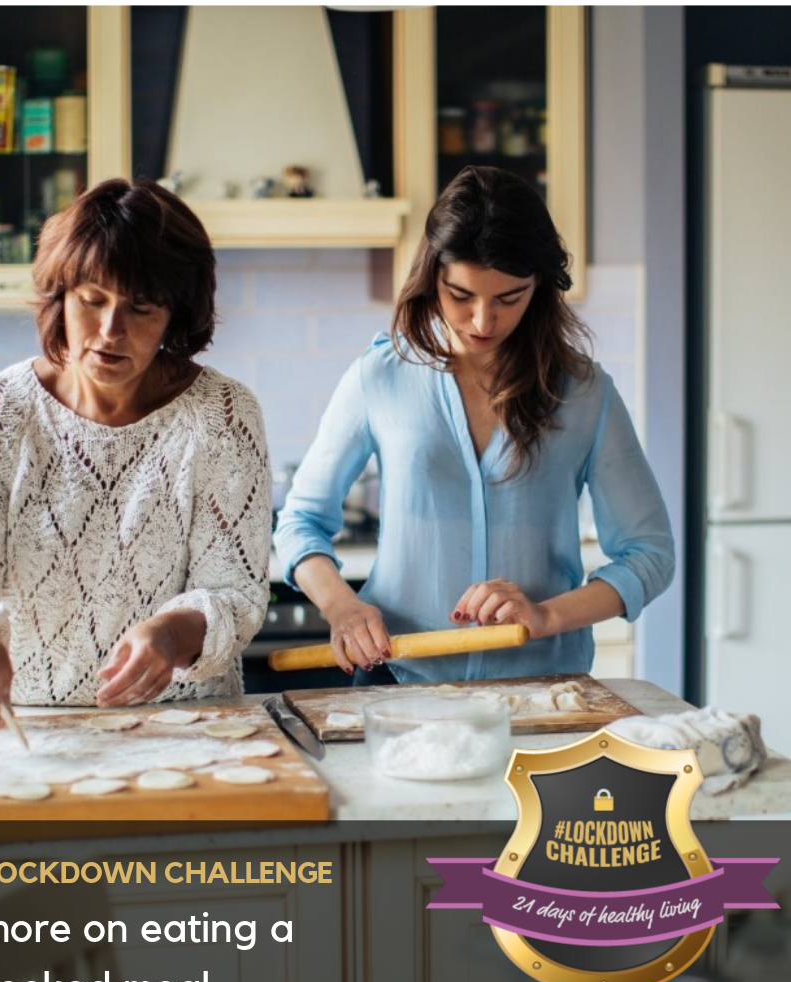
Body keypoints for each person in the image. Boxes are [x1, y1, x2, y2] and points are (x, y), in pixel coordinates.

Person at [274, 166, 674, 684]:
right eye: (461, 295)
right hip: (399, 686)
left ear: (540, 288)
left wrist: (547, 616)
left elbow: (650, 554)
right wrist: (340, 607)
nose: (483, 321)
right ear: (431, 276)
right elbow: (300, 521)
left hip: (543, 693)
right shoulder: (379, 377)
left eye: (509, 298)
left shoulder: (585, 391)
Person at [0, 178, 272, 729]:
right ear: (61, 296)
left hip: (184, 728)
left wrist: (171, 634)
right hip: (26, 727)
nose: (110, 331)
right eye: (92, 299)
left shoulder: (223, 415)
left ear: (176, 314)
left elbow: (236, 592)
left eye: (141, 308)